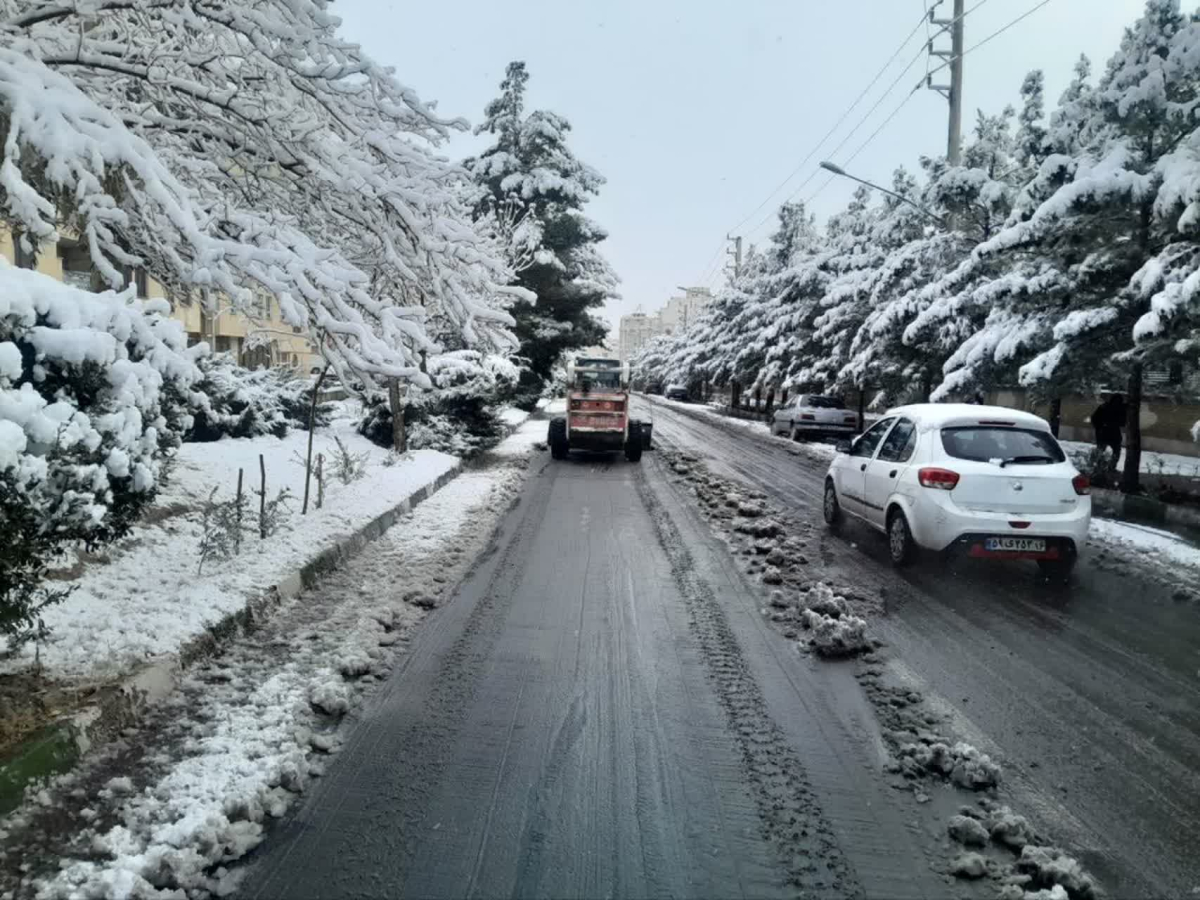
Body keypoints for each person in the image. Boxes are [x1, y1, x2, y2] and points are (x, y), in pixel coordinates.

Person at [1091, 392, 1127, 471]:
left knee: (1102, 450)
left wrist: (1099, 428)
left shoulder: (1104, 407)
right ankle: (1109, 467)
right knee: (1115, 451)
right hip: (1111, 432)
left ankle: (1099, 467)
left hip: (1105, 432)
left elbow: (1094, 418)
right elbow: (1123, 422)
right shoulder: (1120, 408)